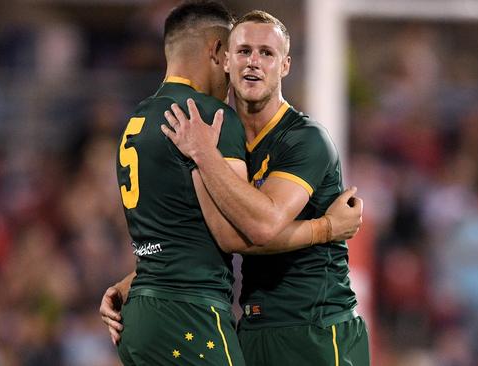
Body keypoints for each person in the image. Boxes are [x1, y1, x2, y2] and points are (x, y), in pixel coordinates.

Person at [108, 2, 362, 365]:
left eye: (267, 53)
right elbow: (227, 235)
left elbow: (235, 228)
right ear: (223, 56)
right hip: (235, 323)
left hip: (315, 326)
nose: (253, 62)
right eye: (243, 50)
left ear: (285, 65)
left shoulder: (304, 138)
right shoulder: (210, 125)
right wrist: (327, 227)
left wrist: (139, 282)